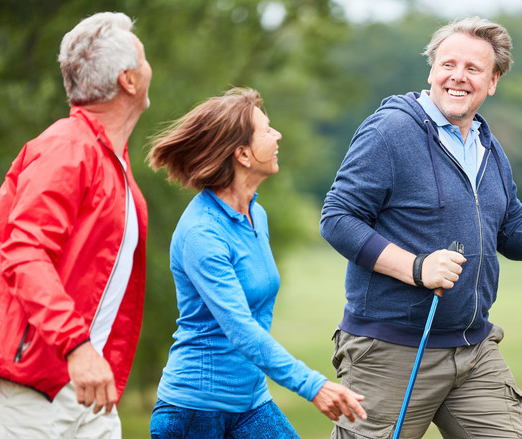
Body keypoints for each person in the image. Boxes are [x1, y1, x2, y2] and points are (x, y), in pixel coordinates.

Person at [320, 16, 522, 438]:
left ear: (493, 82)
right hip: (391, 350)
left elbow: (510, 233)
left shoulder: (487, 146)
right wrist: (417, 268)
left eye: (473, 69)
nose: (458, 77)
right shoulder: (390, 130)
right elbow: (338, 218)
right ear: (432, 71)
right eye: (448, 65)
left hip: (472, 349)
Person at [146, 87, 367, 438]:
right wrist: (313, 386)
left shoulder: (255, 214)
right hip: (195, 412)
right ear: (243, 154)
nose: (277, 135)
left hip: (249, 402)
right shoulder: (202, 233)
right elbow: (241, 329)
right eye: (266, 130)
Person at [0, 12, 151, 438]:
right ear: (129, 80)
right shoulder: (67, 149)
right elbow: (25, 253)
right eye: (143, 58)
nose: (149, 66)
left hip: (88, 387)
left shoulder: (109, 162)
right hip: (33, 388)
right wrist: (77, 346)